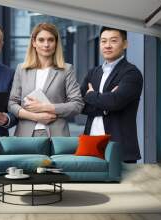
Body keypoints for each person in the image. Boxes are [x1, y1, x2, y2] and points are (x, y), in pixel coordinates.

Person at [8, 23, 83, 137]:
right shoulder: (22, 69)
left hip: (57, 135)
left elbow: (77, 105)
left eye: (50, 40)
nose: (46, 44)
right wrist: (35, 116)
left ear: (56, 43)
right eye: (41, 40)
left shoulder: (66, 69)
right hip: (25, 135)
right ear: (34, 42)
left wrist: (46, 107)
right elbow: (12, 103)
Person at [80, 26, 143, 163]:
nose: (107, 45)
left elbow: (115, 101)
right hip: (91, 145)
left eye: (113, 41)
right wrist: (106, 104)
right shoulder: (93, 73)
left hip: (119, 148)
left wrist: (91, 96)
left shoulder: (131, 73)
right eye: (103, 41)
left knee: (120, 184)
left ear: (125, 44)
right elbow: (81, 105)